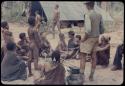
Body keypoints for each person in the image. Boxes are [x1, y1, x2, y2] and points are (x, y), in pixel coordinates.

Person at [80, 1, 104, 81]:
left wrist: (83, 39)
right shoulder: (99, 15)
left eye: (86, 4)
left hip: (89, 38)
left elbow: (88, 30)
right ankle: (91, 76)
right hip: (96, 38)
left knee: (83, 56)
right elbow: (102, 30)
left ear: (88, 5)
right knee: (94, 57)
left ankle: (81, 77)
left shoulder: (87, 15)